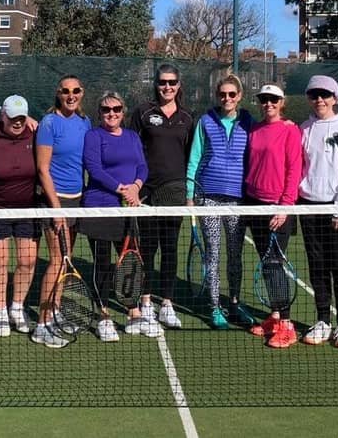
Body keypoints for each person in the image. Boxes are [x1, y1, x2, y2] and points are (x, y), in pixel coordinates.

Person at [79, 91, 157, 341]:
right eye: (106, 109)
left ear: (123, 111)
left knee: (130, 262)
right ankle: (103, 316)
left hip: (129, 208)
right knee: (101, 263)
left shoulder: (133, 136)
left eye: (116, 109)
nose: (111, 113)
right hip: (100, 206)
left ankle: (134, 313)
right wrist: (121, 189)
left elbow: (143, 166)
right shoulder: (93, 136)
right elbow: (94, 168)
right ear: (99, 112)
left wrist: (135, 186)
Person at [186, 74, 255, 329]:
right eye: (222, 94)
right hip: (208, 198)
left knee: (235, 255)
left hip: (237, 200)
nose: (227, 98)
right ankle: (215, 307)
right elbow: (195, 157)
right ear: (217, 96)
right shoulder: (205, 121)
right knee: (213, 254)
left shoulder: (249, 122)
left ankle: (235, 303)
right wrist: (190, 194)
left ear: (239, 97)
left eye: (232, 94)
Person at [298, 75, 338, 348]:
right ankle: (323, 319)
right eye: (314, 95)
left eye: (325, 95)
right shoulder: (304, 128)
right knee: (317, 267)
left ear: (335, 98)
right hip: (309, 206)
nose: (319, 100)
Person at [130, 64, 196, 330]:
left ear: (179, 85)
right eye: (162, 82)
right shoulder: (143, 113)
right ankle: (146, 302)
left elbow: (191, 155)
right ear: (156, 85)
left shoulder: (188, 117)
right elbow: (132, 148)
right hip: (146, 190)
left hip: (175, 191)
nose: (167, 87)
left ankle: (166, 303)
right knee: (147, 247)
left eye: (172, 82)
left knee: (169, 248)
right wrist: (135, 186)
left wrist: (188, 193)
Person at [32, 74, 92, 349]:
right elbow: (43, 169)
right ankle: (42, 325)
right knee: (57, 261)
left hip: (78, 200)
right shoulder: (49, 123)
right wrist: (56, 210)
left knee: (65, 260)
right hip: (55, 202)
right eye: (66, 91)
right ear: (58, 93)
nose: (71, 95)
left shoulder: (85, 122)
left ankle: (54, 312)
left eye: (76, 90)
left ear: (82, 93)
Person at [245, 84, 302, 349]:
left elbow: (294, 168)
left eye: (273, 100)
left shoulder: (290, 130)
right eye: (264, 99)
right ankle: (275, 316)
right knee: (266, 263)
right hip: (254, 204)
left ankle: (287, 325)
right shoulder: (255, 130)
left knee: (274, 264)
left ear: (282, 103)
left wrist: (285, 205)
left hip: (277, 208)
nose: (268, 103)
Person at [0, 94, 40, 338]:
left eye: (22, 117)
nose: (17, 122)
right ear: (2, 115)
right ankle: (1, 313)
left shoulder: (35, 133)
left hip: (28, 209)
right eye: (12, 117)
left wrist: (34, 121)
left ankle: (17, 307)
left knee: (27, 262)